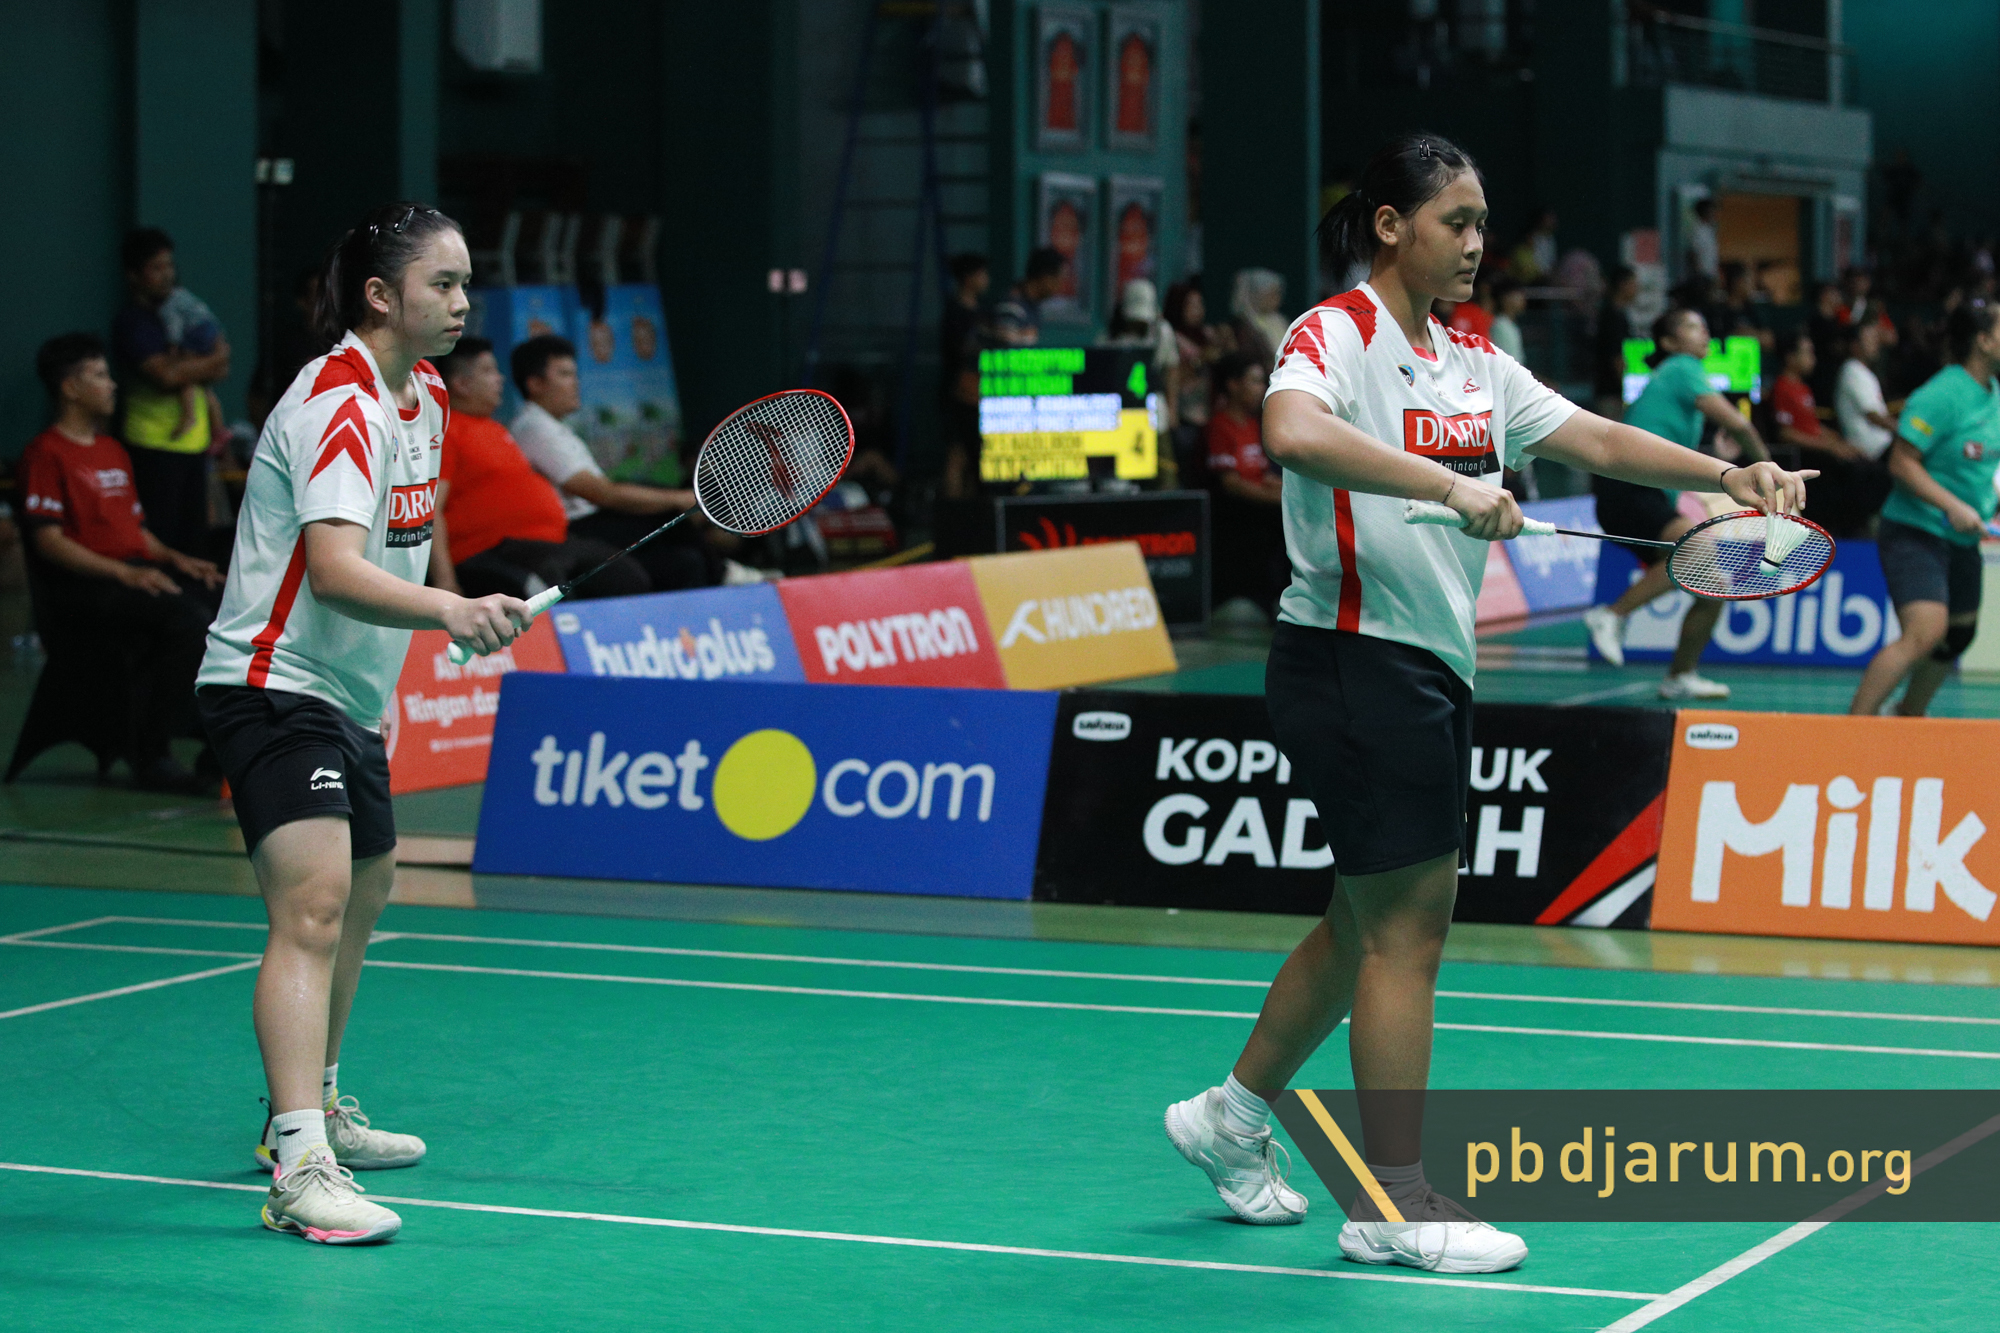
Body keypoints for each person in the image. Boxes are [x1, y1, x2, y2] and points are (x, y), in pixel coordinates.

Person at [1161, 133, 1810, 1275]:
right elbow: (1290, 432)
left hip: (1426, 663)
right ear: (1389, 225)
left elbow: (1592, 436)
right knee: (1407, 928)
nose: (1474, 243)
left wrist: (1724, 475)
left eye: (1480, 223)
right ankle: (1391, 1201)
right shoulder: (1334, 333)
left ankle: (1231, 1114)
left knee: (1360, 923)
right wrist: (1451, 486)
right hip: (1351, 657)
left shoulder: (1474, 358)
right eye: (1454, 221)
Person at [194, 202, 533, 1246]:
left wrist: (450, 607)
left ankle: (317, 1104)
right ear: (381, 295)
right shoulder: (339, 402)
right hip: (272, 680)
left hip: (349, 691)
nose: (465, 302)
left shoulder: (424, 394)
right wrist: (448, 614)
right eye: (444, 283)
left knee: (367, 890)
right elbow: (336, 570)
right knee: (312, 907)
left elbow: (409, 533)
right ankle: (300, 1166)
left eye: (467, 282)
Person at [18, 333, 223, 792]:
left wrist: (178, 560)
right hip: (84, 587)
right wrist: (125, 572)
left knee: (222, 601)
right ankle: (152, 753)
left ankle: (217, 751)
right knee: (186, 619)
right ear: (70, 388)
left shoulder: (112, 450)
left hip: (130, 574)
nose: (112, 384)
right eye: (99, 375)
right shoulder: (45, 453)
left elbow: (136, 533)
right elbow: (48, 542)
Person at [1580, 307, 1777, 698]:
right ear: (1669, 342)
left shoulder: (1672, 382)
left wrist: (1718, 456)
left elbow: (1676, 457)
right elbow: (1739, 423)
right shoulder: (1682, 368)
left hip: (1641, 492)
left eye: (1704, 326)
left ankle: (1680, 675)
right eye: (1691, 326)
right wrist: (1770, 469)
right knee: (1696, 549)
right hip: (1628, 488)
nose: (1703, 333)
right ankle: (1610, 615)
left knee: (1713, 586)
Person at [1850, 301, 2000, 717]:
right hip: (1915, 530)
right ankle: (1848, 731)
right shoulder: (1942, 394)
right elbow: (1901, 462)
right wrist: (1952, 506)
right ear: (1983, 341)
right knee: (1925, 632)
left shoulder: (1994, 395)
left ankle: (1908, 718)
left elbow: (1984, 469)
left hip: (1962, 539)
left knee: (1957, 636)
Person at [428, 337, 649, 601]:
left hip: (550, 543)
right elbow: (431, 509)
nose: (500, 379)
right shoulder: (445, 432)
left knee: (624, 575)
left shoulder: (495, 429)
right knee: (551, 584)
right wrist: (445, 581)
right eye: (488, 371)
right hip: (491, 552)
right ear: (461, 384)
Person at [509, 335, 716, 591]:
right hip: (580, 528)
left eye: (574, 374)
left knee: (684, 559)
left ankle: (722, 571)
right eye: (564, 374)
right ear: (535, 384)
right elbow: (601, 493)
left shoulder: (551, 426)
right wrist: (677, 500)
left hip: (597, 521)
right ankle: (725, 573)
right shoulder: (534, 428)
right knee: (672, 516)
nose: (575, 383)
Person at [111, 227, 232, 557]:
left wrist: (198, 364)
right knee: (163, 544)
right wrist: (211, 360)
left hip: (194, 447)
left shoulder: (183, 310)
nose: (166, 274)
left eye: (169, 266)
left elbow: (222, 367)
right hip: (153, 447)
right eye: (156, 267)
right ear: (133, 275)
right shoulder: (133, 322)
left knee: (196, 545)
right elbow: (165, 376)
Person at [1768, 330, 1887, 537]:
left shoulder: (1803, 388)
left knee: (1869, 467)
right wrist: (1831, 447)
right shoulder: (1782, 388)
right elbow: (1787, 433)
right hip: (1807, 458)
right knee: (1859, 475)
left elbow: (1813, 426)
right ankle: (1846, 534)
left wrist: (1841, 442)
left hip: (1822, 452)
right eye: (1807, 353)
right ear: (1790, 357)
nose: (1812, 358)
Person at [1204, 353, 1285, 613]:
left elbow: (1263, 475)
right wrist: (1279, 500)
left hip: (1261, 507)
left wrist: (1290, 492)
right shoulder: (1220, 426)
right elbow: (1232, 484)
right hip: (1236, 515)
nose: (1261, 388)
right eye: (1254, 381)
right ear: (1233, 385)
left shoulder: (1252, 424)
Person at [940, 253, 988, 497]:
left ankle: (971, 509)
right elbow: (959, 351)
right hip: (958, 395)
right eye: (982, 274)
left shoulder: (979, 311)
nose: (986, 279)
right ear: (968, 278)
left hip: (979, 395)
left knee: (974, 457)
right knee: (957, 455)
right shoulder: (955, 312)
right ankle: (952, 510)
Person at [1836, 318, 1898, 463]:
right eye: (1869, 339)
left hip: (1881, 449)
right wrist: (1906, 431)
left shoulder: (1863, 371)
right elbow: (1873, 415)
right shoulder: (1852, 370)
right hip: (1872, 453)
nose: (1875, 343)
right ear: (1855, 346)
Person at [991, 247, 1065, 347]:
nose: (1060, 286)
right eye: (1059, 279)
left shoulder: (1033, 304)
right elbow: (1006, 347)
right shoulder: (1012, 304)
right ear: (1045, 277)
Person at [1593, 264, 1640, 418]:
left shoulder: (1619, 314)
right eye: (1633, 284)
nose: (1636, 289)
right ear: (1622, 284)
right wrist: (1627, 388)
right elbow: (1616, 356)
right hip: (1611, 393)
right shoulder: (1612, 316)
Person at [1229, 268, 1288, 368]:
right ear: (1257, 295)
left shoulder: (1279, 320)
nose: (1276, 299)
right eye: (1271, 294)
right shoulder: (1245, 324)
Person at [1487, 276, 1526, 362]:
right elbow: (1509, 362)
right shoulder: (1500, 326)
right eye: (1518, 295)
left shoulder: (1508, 324)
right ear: (1505, 298)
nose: (1522, 299)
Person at [1684, 197, 1719, 283]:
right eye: (1711, 210)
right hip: (1701, 276)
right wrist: (1699, 275)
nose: (1713, 214)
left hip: (1710, 273)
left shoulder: (1709, 229)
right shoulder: (1697, 230)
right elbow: (1694, 254)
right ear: (1705, 211)